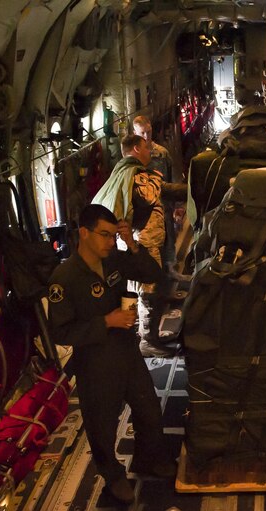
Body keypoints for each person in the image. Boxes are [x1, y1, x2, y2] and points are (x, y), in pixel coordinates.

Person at [46, 204, 176, 504]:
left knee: (148, 409)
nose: (109, 241)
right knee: (102, 424)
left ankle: (149, 458)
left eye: (112, 235)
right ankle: (113, 476)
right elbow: (61, 332)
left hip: (126, 350)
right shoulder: (64, 278)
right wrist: (105, 321)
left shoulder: (115, 259)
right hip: (95, 361)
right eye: (104, 235)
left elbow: (152, 272)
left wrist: (131, 243)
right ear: (84, 234)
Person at [92, 134, 175, 357]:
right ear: (136, 149)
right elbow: (147, 196)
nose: (150, 152)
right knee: (147, 292)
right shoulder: (137, 175)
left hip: (138, 241)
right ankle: (147, 340)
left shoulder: (123, 173)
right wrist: (156, 177)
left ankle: (146, 335)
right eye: (146, 148)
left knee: (144, 290)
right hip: (140, 243)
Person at [133, 115, 189, 282]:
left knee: (168, 237)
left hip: (163, 205)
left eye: (148, 132)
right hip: (144, 210)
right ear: (135, 132)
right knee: (149, 245)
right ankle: (152, 277)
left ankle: (170, 268)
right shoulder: (132, 158)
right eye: (142, 133)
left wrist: (178, 206)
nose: (146, 137)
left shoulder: (161, 153)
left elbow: (172, 179)